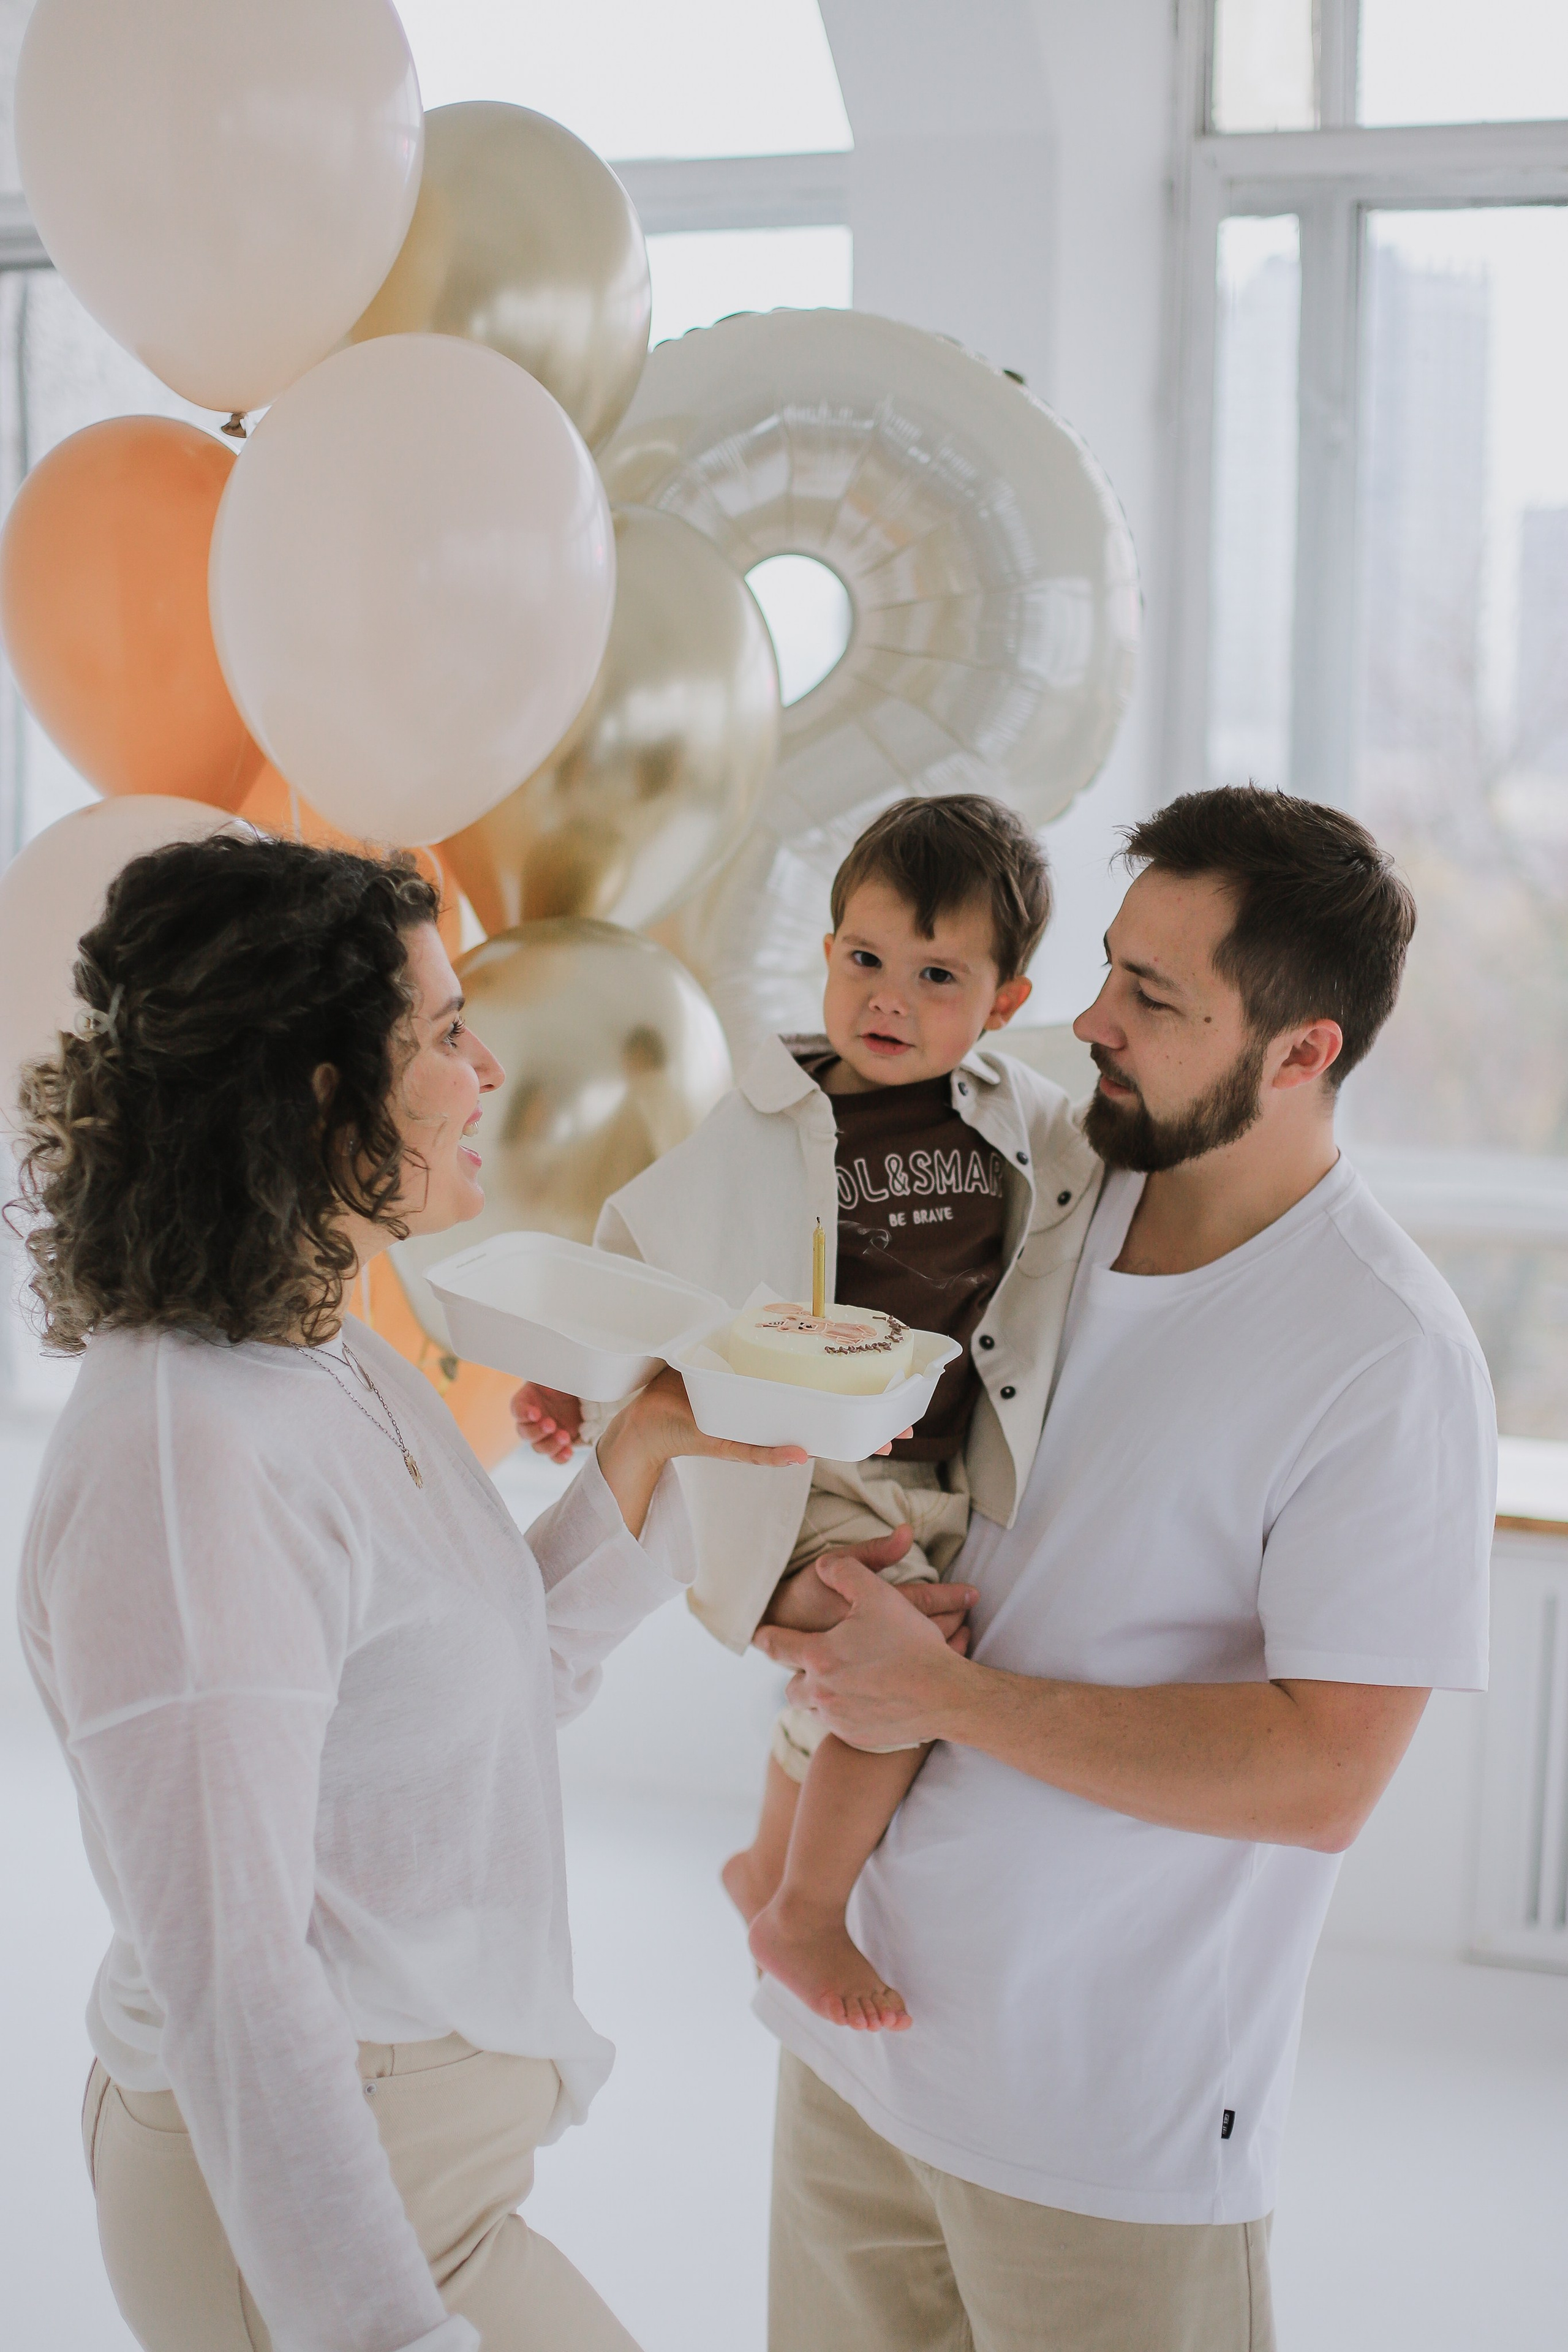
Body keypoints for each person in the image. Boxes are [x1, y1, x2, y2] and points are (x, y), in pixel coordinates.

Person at [10, 832, 812, 2352]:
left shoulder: (311, 1339)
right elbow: (236, 1987)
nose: (490, 1067)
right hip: (317, 2227)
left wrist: (641, 1448)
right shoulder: (186, 1475)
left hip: (417, 2171)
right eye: (443, 1033)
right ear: (318, 1093)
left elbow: (456, 1686)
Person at [753, 787, 1496, 2352]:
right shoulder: (1045, 1182)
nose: (1087, 1019)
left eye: (1153, 1000)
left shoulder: (1384, 1358)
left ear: (1301, 1053)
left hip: (1103, 2132)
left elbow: (1323, 1775)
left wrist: (943, 1693)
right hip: (855, 2052)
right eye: (1106, 969)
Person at [513, 796, 1101, 2031]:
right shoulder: (774, 1118)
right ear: (827, 955)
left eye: (936, 975)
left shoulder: (1027, 1121)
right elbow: (654, 1246)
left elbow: (1099, 1212)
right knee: (901, 1667)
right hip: (789, 1462)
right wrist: (578, 1379)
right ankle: (802, 1908)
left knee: (861, 1663)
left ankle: (761, 1862)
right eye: (865, 961)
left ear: (1005, 1003)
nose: (888, 998)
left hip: (928, 1469)